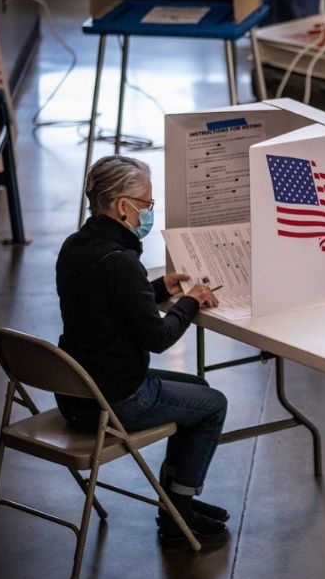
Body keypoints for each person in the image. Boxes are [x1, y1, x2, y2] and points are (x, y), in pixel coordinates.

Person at [55, 155, 229, 546]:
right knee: (213, 404)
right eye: (146, 204)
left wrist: (162, 289)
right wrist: (191, 301)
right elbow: (158, 337)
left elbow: (110, 306)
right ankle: (177, 515)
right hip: (113, 399)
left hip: (75, 392)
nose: (148, 212)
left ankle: (175, 504)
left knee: (196, 387)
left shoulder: (76, 246)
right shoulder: (122, 262)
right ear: (123, 207)